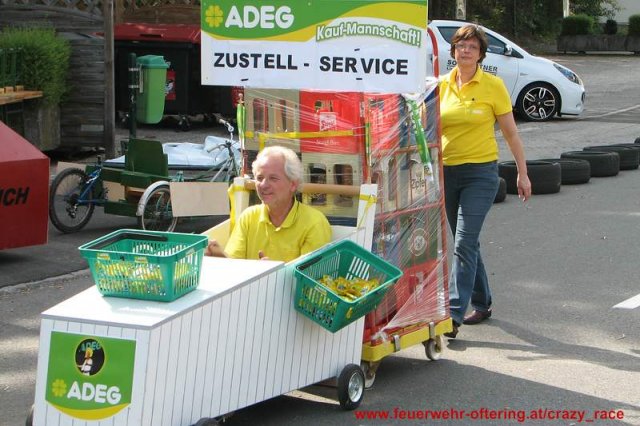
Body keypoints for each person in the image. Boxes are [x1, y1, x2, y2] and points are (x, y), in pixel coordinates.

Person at [439, 24, 532, 338]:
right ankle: (483, 302)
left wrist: (522, 172)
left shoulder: (493, 85)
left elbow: (511, 134)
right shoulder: (441, 85)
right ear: (453, 50)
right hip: (448, 173)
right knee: (466, 242)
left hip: (481, 173)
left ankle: (453, 314)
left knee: (463, 242)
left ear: (481, 54)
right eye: (461, 46)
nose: (466, 51)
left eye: (472, 47)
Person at [206, 146, 332, 262]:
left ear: (293, 184)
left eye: (273, 178)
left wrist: (273, 272)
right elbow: (235, 265)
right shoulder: (249, 217)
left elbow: (310, 276)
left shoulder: (314, 223)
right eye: (259, 178)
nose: (264, 185)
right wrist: (220, 257)